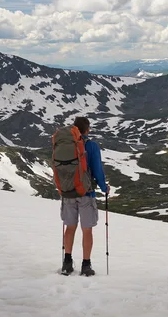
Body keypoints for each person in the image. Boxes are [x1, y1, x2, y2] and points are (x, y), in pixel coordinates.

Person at [60, 116, 109, 276]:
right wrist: (103, 187)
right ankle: (86, 265)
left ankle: (67, 263)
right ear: (87, 129)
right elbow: (97, 170)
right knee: (86, 230)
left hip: (68, 192)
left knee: (70, 227)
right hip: (86, 193)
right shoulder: (91, 146)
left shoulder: (65, 144)